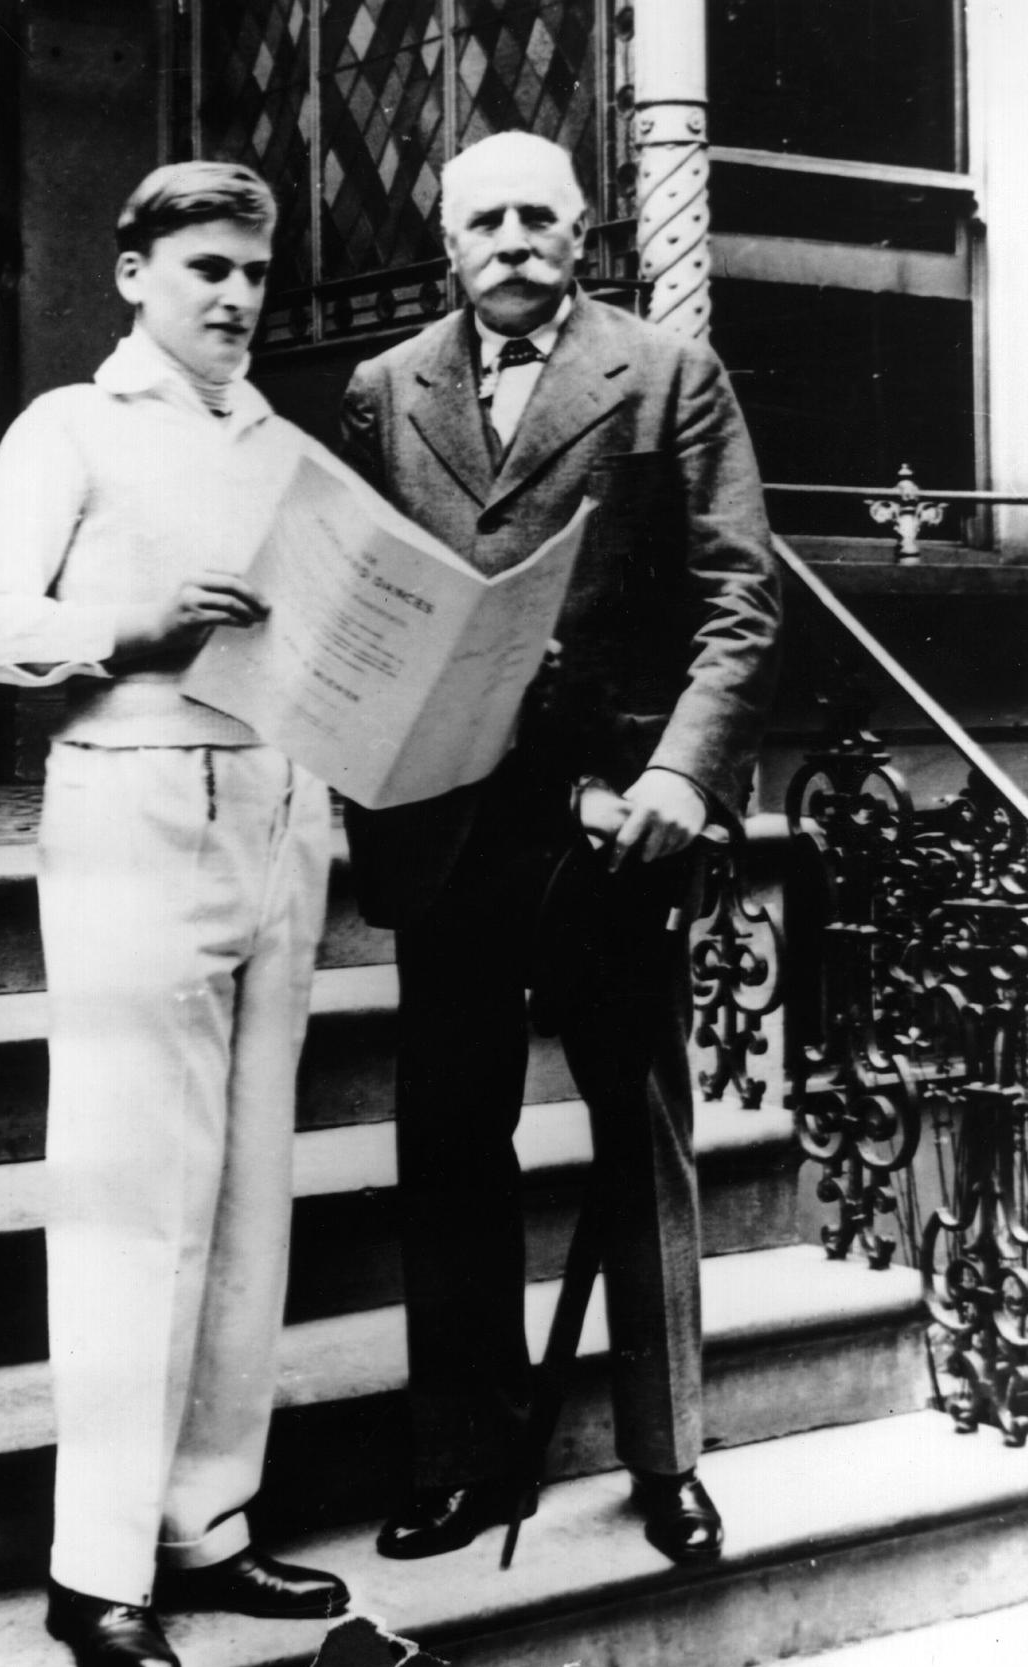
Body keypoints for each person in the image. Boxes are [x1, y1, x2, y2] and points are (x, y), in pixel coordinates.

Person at [0, 161, 349, 1667]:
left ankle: (204, 1519)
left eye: (253, 271)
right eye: (205, 270)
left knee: (249, 1191)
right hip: (130, 806)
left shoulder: (286, 445)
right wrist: (123, 629)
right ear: (131, 274)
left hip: (279, 807)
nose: (238, 297)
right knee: (134, 1200)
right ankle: (94, 1571)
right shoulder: (71, 425)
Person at [339, 131, 781, 1567]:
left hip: (614, 823)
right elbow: (359, 607)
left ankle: (668, 1460)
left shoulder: (666, 376)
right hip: (451, 825)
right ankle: (462, 1452)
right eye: (487, 219)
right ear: (448, 240)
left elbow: (740, 599)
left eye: (540, 214)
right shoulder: (382, 390)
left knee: (636, 1138)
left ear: (583, 231)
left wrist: (679, 777)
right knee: (447, 1139)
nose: (515, 237)